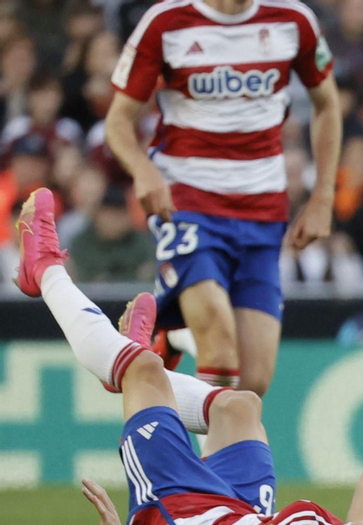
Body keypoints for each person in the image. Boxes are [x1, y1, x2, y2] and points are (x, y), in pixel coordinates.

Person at [14, 189, 363, 525]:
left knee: (147, 370)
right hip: (237, 519)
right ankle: (123, 369)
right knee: (240, 405)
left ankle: (46, 271)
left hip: (179, 524)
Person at [103, 0, 342, 396]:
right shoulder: (166, 22)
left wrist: (323, 197)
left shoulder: (293, 19)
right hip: (187, 200)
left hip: (263, 209)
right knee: (216, 333)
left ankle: (175, 335)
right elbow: (118, 119)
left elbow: (327, 105)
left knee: (251, 385)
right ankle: (184, 339)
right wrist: (143, 170)